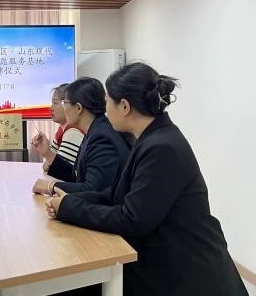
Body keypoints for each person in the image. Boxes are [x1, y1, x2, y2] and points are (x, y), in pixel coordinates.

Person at [46, 63, 248, 296]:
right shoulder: (150, 137)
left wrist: (69, 207)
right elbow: (116, 195)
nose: (105, 110)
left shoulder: (162, 147)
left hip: (187, 272)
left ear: (124, 106)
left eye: (107, 102)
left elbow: (132, 219)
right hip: (166, 260)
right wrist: (70, 200)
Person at [33, 77, 129, 195]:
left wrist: (51, 186)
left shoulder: (101, 137)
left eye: (65, 103)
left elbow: (92, 190)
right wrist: (47, 152)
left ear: (78, 108)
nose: (64, 108)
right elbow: (76, 177)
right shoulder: (95, 129)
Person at [30, 83, 84, 178]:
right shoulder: (62, 129)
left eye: (55, 103)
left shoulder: (73, 131)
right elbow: (47, 164)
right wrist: (48, 155)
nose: (51, 108)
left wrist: (48, 156)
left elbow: (60, 171)